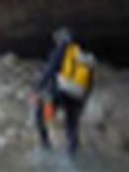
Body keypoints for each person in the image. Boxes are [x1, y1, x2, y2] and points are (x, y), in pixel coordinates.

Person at [32, 27, 96, 157]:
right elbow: (89, 83)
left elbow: (49, 71)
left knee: (40, 115)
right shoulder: (83, 56)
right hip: (77, 95)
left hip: (59, 92)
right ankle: (72, 155)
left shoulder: (61, 51)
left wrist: (37, 90)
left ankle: (45, 146)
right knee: (72, 126)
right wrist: (83, 101)